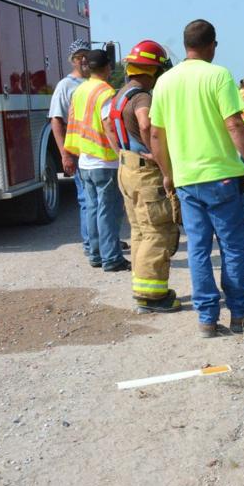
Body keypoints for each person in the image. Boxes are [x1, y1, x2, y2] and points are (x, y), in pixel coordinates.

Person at [149, 19, 244, 338]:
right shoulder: (219, 75)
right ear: (212, 45)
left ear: (187, 45)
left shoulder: (165, 82)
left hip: (187, 180)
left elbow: (156, 135)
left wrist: (168, 175)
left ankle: (207, 320)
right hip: (223, 178)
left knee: (198, 249)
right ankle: (240, 316)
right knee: (232, 247)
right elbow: (235, 126)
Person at [108, 40, 181, 313]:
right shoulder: (142, 97)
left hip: (126, 168)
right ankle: (154, 297)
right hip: (146, 174)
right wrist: (159, 158)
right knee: (157, 231)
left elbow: (108, 125)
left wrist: (122, 152)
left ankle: (142, 290)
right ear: (154, 70)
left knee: (139, 230)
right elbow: (146, 124)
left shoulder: (120, 94)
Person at [64, 49, 128, 272]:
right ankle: (111, 258)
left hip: (85, 159)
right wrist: (121, 153)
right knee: (108, 210)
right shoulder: (105, 92)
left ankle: (95, 253)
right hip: (104, 159)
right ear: (108, 67)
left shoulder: (80, 90)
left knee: (92, 208)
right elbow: (109, 126)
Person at [48, 39, 92, 256]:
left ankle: (104, 240)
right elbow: (56, 120)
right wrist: (65, 154)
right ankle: (90, 244)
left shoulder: (96, 81)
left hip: (99, 151)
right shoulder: (65, 86)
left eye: (86, 55)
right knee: (86, 199)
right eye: (78, 57)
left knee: (103, 200)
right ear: (72, 61)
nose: (83, 60)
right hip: (78, 152)